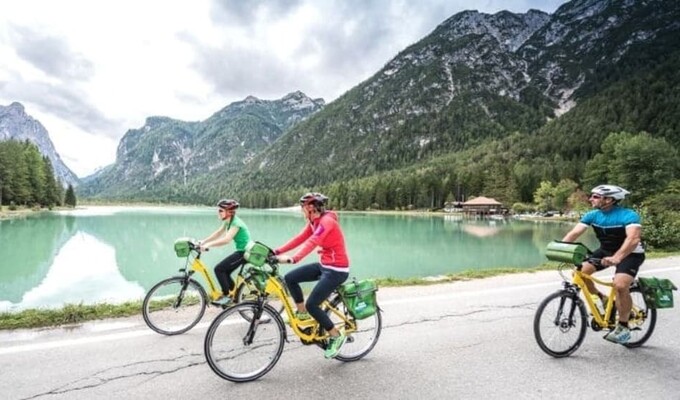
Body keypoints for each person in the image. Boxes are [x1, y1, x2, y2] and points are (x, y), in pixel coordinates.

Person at [561, 184, 644, 344]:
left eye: (595, 196)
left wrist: (618, 257)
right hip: (605, 251)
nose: (591, 199)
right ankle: (604, 298)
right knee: (580, 274)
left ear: (609, 199)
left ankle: (624, 327)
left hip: (630, 253)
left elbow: (633, 239)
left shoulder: (628, 215)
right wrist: (560, 248)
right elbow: (574, 233)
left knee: (620, 285)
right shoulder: (592, 215)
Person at [273, 192, 350, 359]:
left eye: (302, 208)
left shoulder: (326, 222)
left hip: (337, 270)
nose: (302, 211)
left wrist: (294, 258)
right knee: (290, 278)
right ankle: (302, 314)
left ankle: (336, 335)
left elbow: (312, 242)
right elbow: (300, 238)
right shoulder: (313, 222)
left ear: (310, 208)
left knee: (313, 304)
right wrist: (276, 251)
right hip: (325, 266)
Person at [199, 199, 252, 306]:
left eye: (220, 210)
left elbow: (226, 239)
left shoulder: (236, 223)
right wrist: (204, 241)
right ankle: (235, 295)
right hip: (241, 251)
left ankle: (226, 296)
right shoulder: (229, 221)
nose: (218, 212)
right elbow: (218, 233)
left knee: (219, 269)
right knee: (225, 272)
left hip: (244, 253)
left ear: (229, 212)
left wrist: (209, 245)